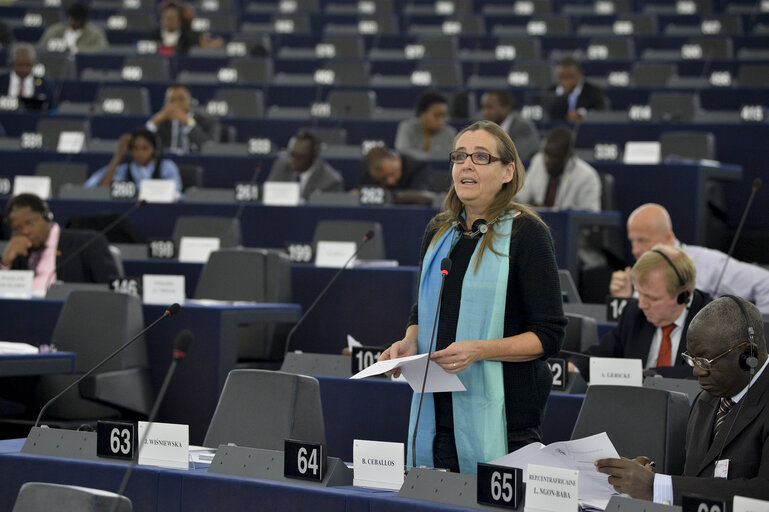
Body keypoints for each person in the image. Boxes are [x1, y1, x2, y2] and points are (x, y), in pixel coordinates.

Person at [379, 120, 566, 474]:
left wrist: (478, 350)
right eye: (460, 156)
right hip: (436, 411)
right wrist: (409, 340)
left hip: (505, 417)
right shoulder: (439, 232)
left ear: (508, 171)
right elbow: (425, 306)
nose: (466, 164)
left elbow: (549, 335)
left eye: (481, 157)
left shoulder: (527, 235)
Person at [596, 296, 769, 505]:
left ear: (748, 356)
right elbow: (697, 478)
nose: (696, 371)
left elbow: (763, 492)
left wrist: (657, 487)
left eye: (705, 361)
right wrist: (651, 475)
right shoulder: (706, 401)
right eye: (692, 359)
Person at [573, 245, 711, 379]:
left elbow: (704, 371)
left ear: (683, 296)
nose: (642, 304)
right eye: (639, 294)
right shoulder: (634, 313)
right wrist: (573, 367)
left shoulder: (710, 321)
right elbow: (602, 355)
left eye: (652, 298)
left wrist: (647, 375)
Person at [610, 203, 769, 314]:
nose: (635, 250)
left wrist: (757, 335)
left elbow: (765, 282)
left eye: (643, 241)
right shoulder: (637, 274)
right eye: (632, 241)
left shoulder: (707, 263)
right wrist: (625, 300)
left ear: (668, 238)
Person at [1, 194, 118, 291]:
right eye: (18, 228)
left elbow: (112, 290)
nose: (25, 231)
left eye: (30, 223)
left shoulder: (86, 243)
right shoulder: (19, 252)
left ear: (47, 216)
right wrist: (5, 263)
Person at [515, 126, 601, 211]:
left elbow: (591, 215)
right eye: (546, 154)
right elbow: (521, 197)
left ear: (568, 157)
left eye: (555, 157)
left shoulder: (587, 176)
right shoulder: (538, 161)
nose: (548, 161)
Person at [84, 127, 182, 193]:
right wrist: (118, 156)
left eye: (145, 148)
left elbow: (176, 191)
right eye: (135, 148)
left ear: (154, 149)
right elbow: (102, 191)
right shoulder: (123, 170)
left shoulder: (166, 166)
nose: (140, 153)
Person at [266, 131, 344, 201]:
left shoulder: (331, 181)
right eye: (292, 155)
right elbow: (267, 196)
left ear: (314, 156)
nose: (293, 160)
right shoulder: (281, 167)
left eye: (300, 157)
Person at [146, 84, 218, 154]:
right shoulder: (162, 121)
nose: (176, 103)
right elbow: (143, 144)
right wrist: (154, 122)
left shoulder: (206, 120)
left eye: (181, 99)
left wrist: (188, 121)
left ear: (191, 100)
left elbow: (209, 148)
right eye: (172, 100)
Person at [395, 91, 457, 159]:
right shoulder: (407, 128)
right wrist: (430, 157)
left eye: (444, 116)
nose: (441, 120)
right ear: (422, 114)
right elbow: (402, 151)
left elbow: (453, 156)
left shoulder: (450, 133)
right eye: (437, 115)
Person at [481, 89, 540, 161]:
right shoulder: (486, 126)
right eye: (484, 108)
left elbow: (518, 156)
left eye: (490, 107)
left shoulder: (522, 126)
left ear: (506, 109)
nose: (485, 113)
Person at [148, 0, 222, 57]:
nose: (169, 22)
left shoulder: (188, 35)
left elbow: (215, 43)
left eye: (172, 18)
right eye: (166, 18)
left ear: (179, 20)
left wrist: (208, 43)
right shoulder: (154, 35)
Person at [547, 56, 607, 123]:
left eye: (570, 77)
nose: (566, 81)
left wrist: (581, 114)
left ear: (580, 76)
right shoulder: (550, 92)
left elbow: (602, 112)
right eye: (562, 77)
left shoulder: (594, 92)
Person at [0, 43, 57, 111]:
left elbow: (53, 110)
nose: (24, 69)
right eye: (20, 65)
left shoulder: (46, 85)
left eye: (28, 65)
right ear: (12, 63)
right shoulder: (1, 81)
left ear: (33, 64)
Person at [38, 2, 107, 54]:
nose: (75, 23)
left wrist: (76, 49)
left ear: (85, 20)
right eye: (73, 20)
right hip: (55, 64)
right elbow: (42, 47)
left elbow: (102, 49)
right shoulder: (54, 31)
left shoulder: (95, 34)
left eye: (79, 20)